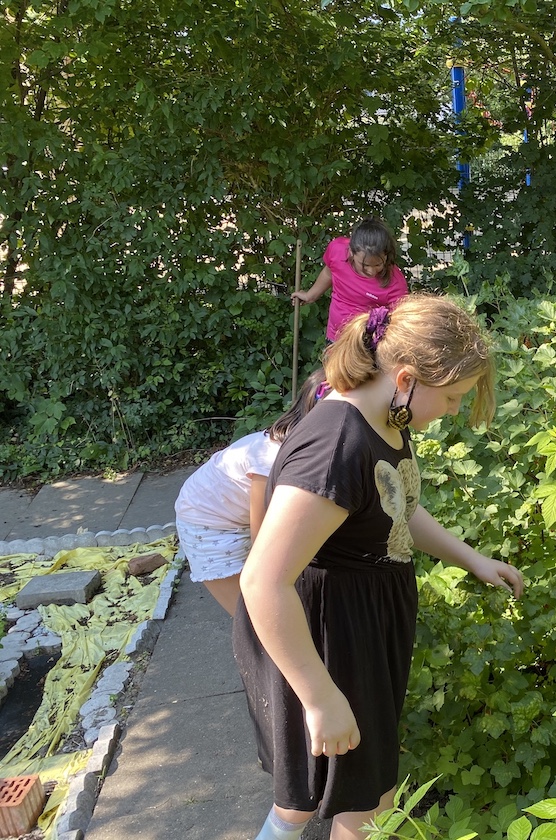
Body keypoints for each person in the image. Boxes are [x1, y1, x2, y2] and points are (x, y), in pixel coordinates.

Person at [235, 295, 524, 840]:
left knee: (319, 791)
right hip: (325, 635)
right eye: (454, 397)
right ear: (407, 378)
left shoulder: (384, 417)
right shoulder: (336, 445)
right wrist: (320, 696)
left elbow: (397, 506)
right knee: (367, 800)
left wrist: (472, 560)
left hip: (359, 624)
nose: (455, 411)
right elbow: (262, 580)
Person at [174, 370, 328, 615]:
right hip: (208, 528)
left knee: (274, 609)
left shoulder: (293, 447)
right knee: (254, 618)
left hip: (226, 515)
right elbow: (262, 537)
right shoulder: (269, 458)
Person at [291, 217, 409, 342]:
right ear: (351, 252)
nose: (371, 271)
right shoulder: (337, 251)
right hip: (335, 338)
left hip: (367, 347)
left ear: (386, 255)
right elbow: (328, 272)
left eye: (378, 265)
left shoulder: (395, 282)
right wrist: (310, 296)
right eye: (365, 265)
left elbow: (400, 321)